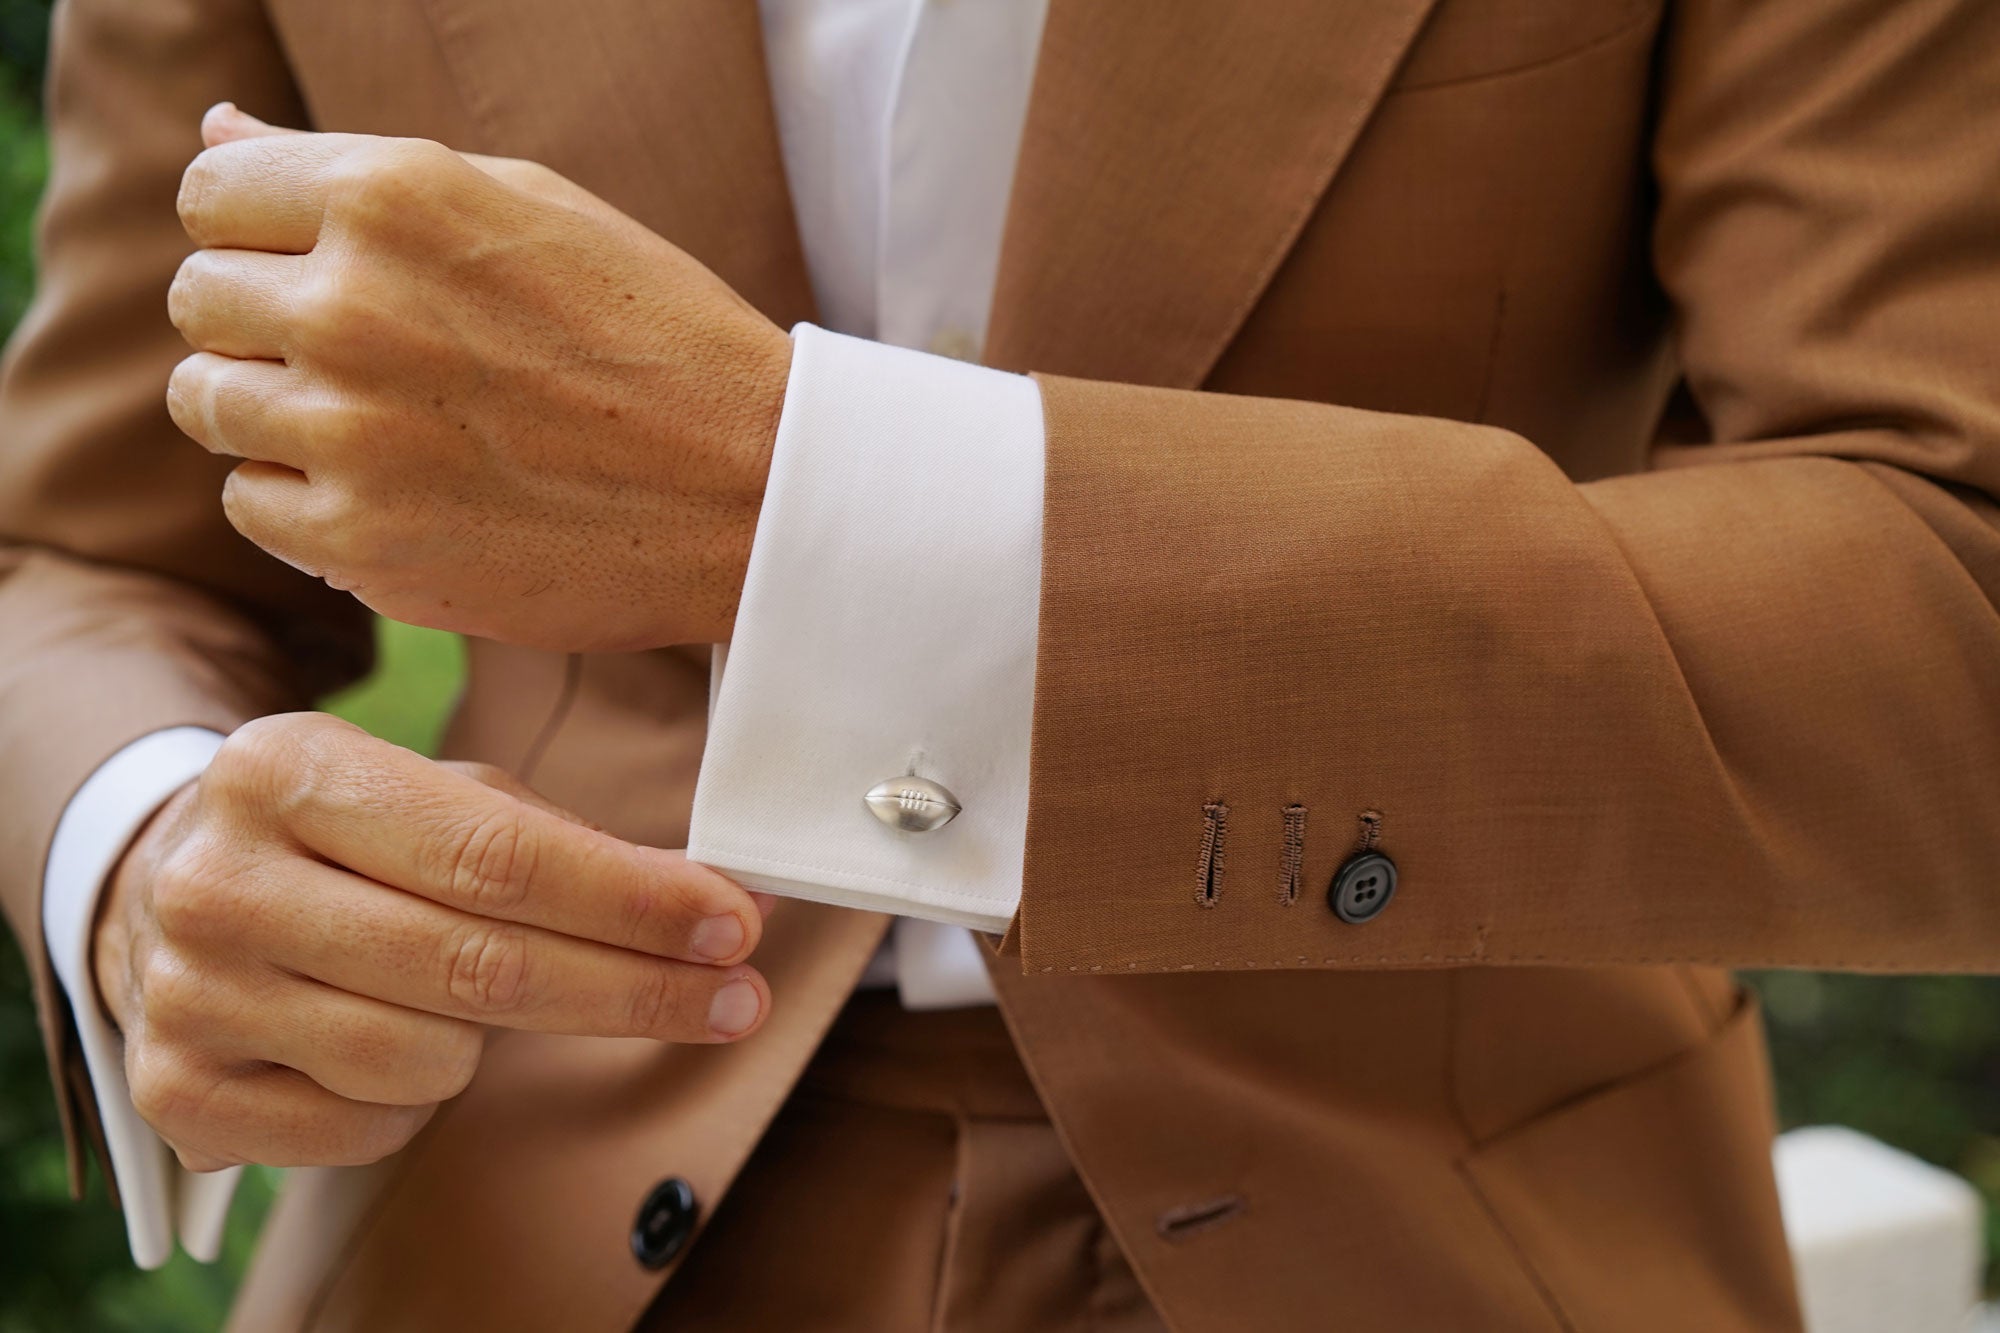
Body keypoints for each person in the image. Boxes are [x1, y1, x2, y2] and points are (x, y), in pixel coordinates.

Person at [2, 0, 1996, 1329]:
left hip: (1438, 1228)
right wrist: (145, 846)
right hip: (504, 1226)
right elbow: (78, 552)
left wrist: (813, 499)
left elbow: (1950, 601)